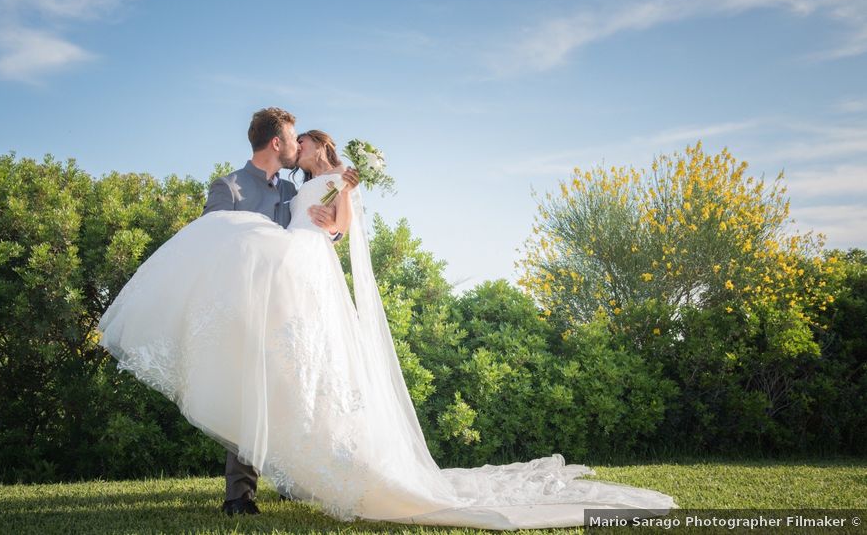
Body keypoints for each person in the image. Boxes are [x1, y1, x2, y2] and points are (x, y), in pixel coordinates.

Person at [97, 123, 679, 529]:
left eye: (303, 142)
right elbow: (236, 231)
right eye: (291, 141)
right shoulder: (270, 188)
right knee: (276, 375)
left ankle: (277, 481)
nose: (296, 148)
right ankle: (250, 488)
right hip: (280, 282)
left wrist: (344, 195)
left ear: (317, 147)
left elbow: (339, 230)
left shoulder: (329, 184)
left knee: (301, 374)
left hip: (304, 276)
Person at [193, 108, 357, 516]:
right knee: (249, 393)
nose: (298, 142)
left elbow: (316, 236)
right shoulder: (228, 187)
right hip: (246, 303)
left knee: (292, 390)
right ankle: (239, 495)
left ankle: (292, 478)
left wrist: (330, 223)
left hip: (289, 306)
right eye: (293, 136)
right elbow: (213, 241)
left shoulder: (290, 191)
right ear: (276, 142)